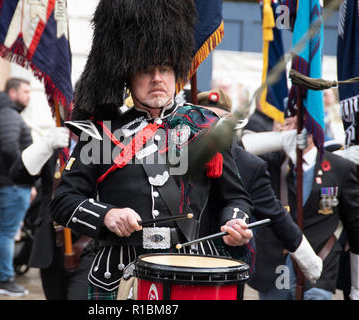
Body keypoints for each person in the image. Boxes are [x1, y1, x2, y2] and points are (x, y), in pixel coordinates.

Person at [50, 0, 254, 300]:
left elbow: (236, 197)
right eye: (146, 71)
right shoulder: (103, 131)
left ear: (177, 73)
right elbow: (64, 201)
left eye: (165, 68)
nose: (157, 78)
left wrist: (235, 221)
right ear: (129, 78)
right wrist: (107, 215)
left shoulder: (207, 127)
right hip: (122, 273)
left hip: (194, 266)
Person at [197, 88, 322, 296]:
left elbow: (276, 215)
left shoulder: (248, 165)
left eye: (218, 123)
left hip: (221, 263)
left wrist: (310, 261)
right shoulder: (173, 155)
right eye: (205, 120)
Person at [241, 114, 359, 300]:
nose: (294, 129)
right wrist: (280, 140)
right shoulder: (271, 161)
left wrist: (357, 286)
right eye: (288, 124)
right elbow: (243, 145)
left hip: (320, 262)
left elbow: (355, 228)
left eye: (301, 124)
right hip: (275, 268)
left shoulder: (339, 166)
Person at [9, 126, 95, 300]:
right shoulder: (57, 143)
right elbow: (18, 174)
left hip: (90, 244)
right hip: (52, 244)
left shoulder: (105, 142)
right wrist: (45, 145)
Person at [0, 77, 34, 296]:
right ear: (13, 92)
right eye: (26, 91)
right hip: (14, 184)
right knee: (8, 233)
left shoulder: (9, 114)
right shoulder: (9, 115)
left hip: (13, 184)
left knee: (5, 232)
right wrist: (27, 172)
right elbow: (9, 148)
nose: (29, 96)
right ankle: (4, 279)